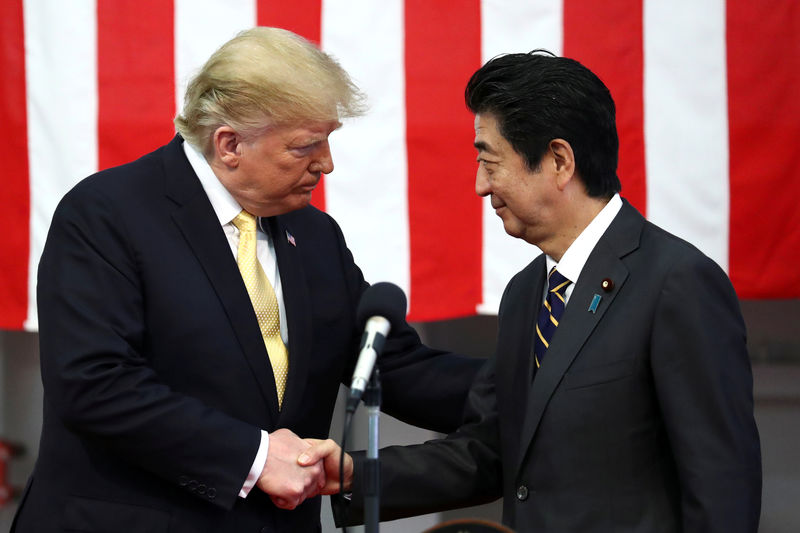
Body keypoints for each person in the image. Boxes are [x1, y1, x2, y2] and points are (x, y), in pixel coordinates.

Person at [10, 27, 482, 533]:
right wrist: (254, 457)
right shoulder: (107, 213)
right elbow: (95, 384)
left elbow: (390, 364)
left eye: (327, 142)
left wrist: (539, 384)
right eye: (306, 147)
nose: (326, 164)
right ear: (230, 144)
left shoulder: (315, 234)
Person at [315, 50, 762, 532]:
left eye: (490, 160)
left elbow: (721, 488)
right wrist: (354, 475)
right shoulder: (527, 293)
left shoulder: (677, 283)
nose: (479, 186)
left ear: (558, 161)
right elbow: (491, 449)